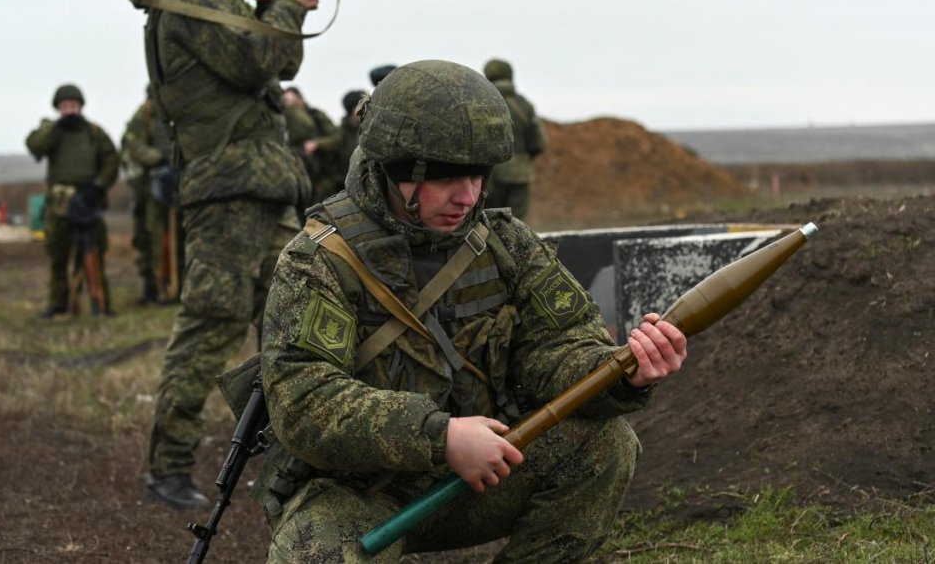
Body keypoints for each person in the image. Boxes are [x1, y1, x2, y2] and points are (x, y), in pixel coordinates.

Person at [250, 60, 687, 561]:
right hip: (358, 494)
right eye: (447, 179)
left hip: (479, 476)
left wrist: (620, 373)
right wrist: (440, 437)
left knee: (606, 446)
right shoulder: (320, 258)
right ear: (396, 169)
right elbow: (305, 401)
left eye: (478, 176)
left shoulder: (505, 245)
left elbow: (555, 348)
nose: (468, 197)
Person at [139, 0, 319, 510]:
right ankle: (167, 468)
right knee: (211, 327)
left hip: (257, 188)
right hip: (229, 194)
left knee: (294, 327)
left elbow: (276, 64)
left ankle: (303, 456)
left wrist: (270, 4)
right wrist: (289, 4)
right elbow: (256, 59)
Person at [25, 84, 119, 318]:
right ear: (58, 108)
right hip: (60, 204)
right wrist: (54, 129)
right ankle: (59, 304)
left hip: (88, 201)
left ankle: (101, 303)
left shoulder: (94, 133)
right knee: (58, 255)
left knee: (94, 253)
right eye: (65, 106)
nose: (70, 110)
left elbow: (111, 159)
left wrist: (99, 186)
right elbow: (35, 146)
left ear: (81, 106)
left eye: (73, 106)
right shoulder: (52, 132)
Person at [120, 86, 179, 304]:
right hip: (153, 184)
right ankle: (155, 285)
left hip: (182, 179)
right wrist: (159, 159)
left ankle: (179, 284)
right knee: (151, 234)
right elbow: (133, 144)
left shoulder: (185, 105)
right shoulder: (145, 113)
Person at [482, 58, 547, 221]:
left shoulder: (480, 103)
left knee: (487, 221)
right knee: (517, 224)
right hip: (519, 173)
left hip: (488, 175)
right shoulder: (524, 105)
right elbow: (538, 143)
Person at [281, 85, 339, 204]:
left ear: (300, 98)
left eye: (290, 101)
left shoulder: (315, 116)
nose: (289, 105)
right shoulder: (284, 119)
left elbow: (336, 138)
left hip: (323, 171)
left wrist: (317, 143)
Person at [302, 88, 366, 195]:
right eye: (361, 106)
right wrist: (317, 144)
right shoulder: (344, 130)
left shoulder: (369, 126)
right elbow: (335, 141)